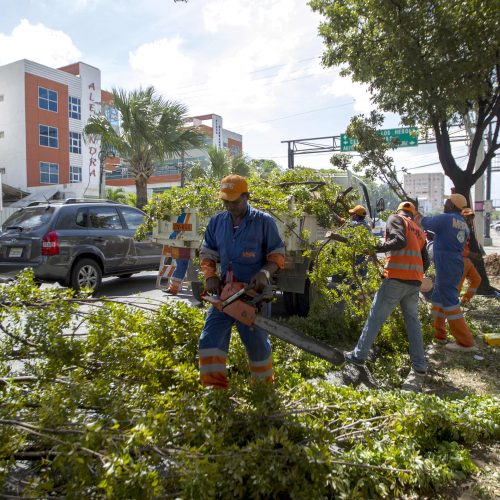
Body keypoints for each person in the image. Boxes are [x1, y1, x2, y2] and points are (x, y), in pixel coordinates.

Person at [198, 175, 285, 389]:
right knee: (209, 340)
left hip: (252, 296)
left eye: (235, 201)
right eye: (226, 201)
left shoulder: (264, 222)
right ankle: (214, 389)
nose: (230, 206)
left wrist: (265, 273)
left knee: (257, 348)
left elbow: (277, 255)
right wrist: (210, 276)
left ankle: (263, 390)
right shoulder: (217, 222)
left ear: (246, 197)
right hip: (224, 295)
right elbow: (207, 252)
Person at [345, 201, 430, 392]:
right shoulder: (419, 229)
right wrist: (417, 274)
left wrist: (374, 247)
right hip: (414, 282)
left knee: (375, 317)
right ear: (413, 214)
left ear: (399, 211)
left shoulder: (395, 219)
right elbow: (426, 260)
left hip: (396, 279)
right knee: (413, 323)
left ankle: (358, 356)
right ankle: (420, 365)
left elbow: (399, 241)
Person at [417, 194, 475, 351]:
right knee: (438, 298)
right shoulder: (463, 223)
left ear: (453, 205)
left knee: (449, 300)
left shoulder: (446, 218)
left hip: (447, 263)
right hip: (455, 263)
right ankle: (438, 334)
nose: (445, 203)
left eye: (447, 201)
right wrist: (437, 236)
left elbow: (424, 221)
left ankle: (466, 342)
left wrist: (417, 213)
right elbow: (449, 237)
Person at [458, 208, 481, 304]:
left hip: (466, 260)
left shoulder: (466, 230)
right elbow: (458, 248)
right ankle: (453, 305)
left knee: (477, 279)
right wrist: (472, 255)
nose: (470, 220)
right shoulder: (460, 230)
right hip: (461, 261)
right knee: (458, 285)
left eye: (471, 218)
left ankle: (465, 301)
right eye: (468, 218)